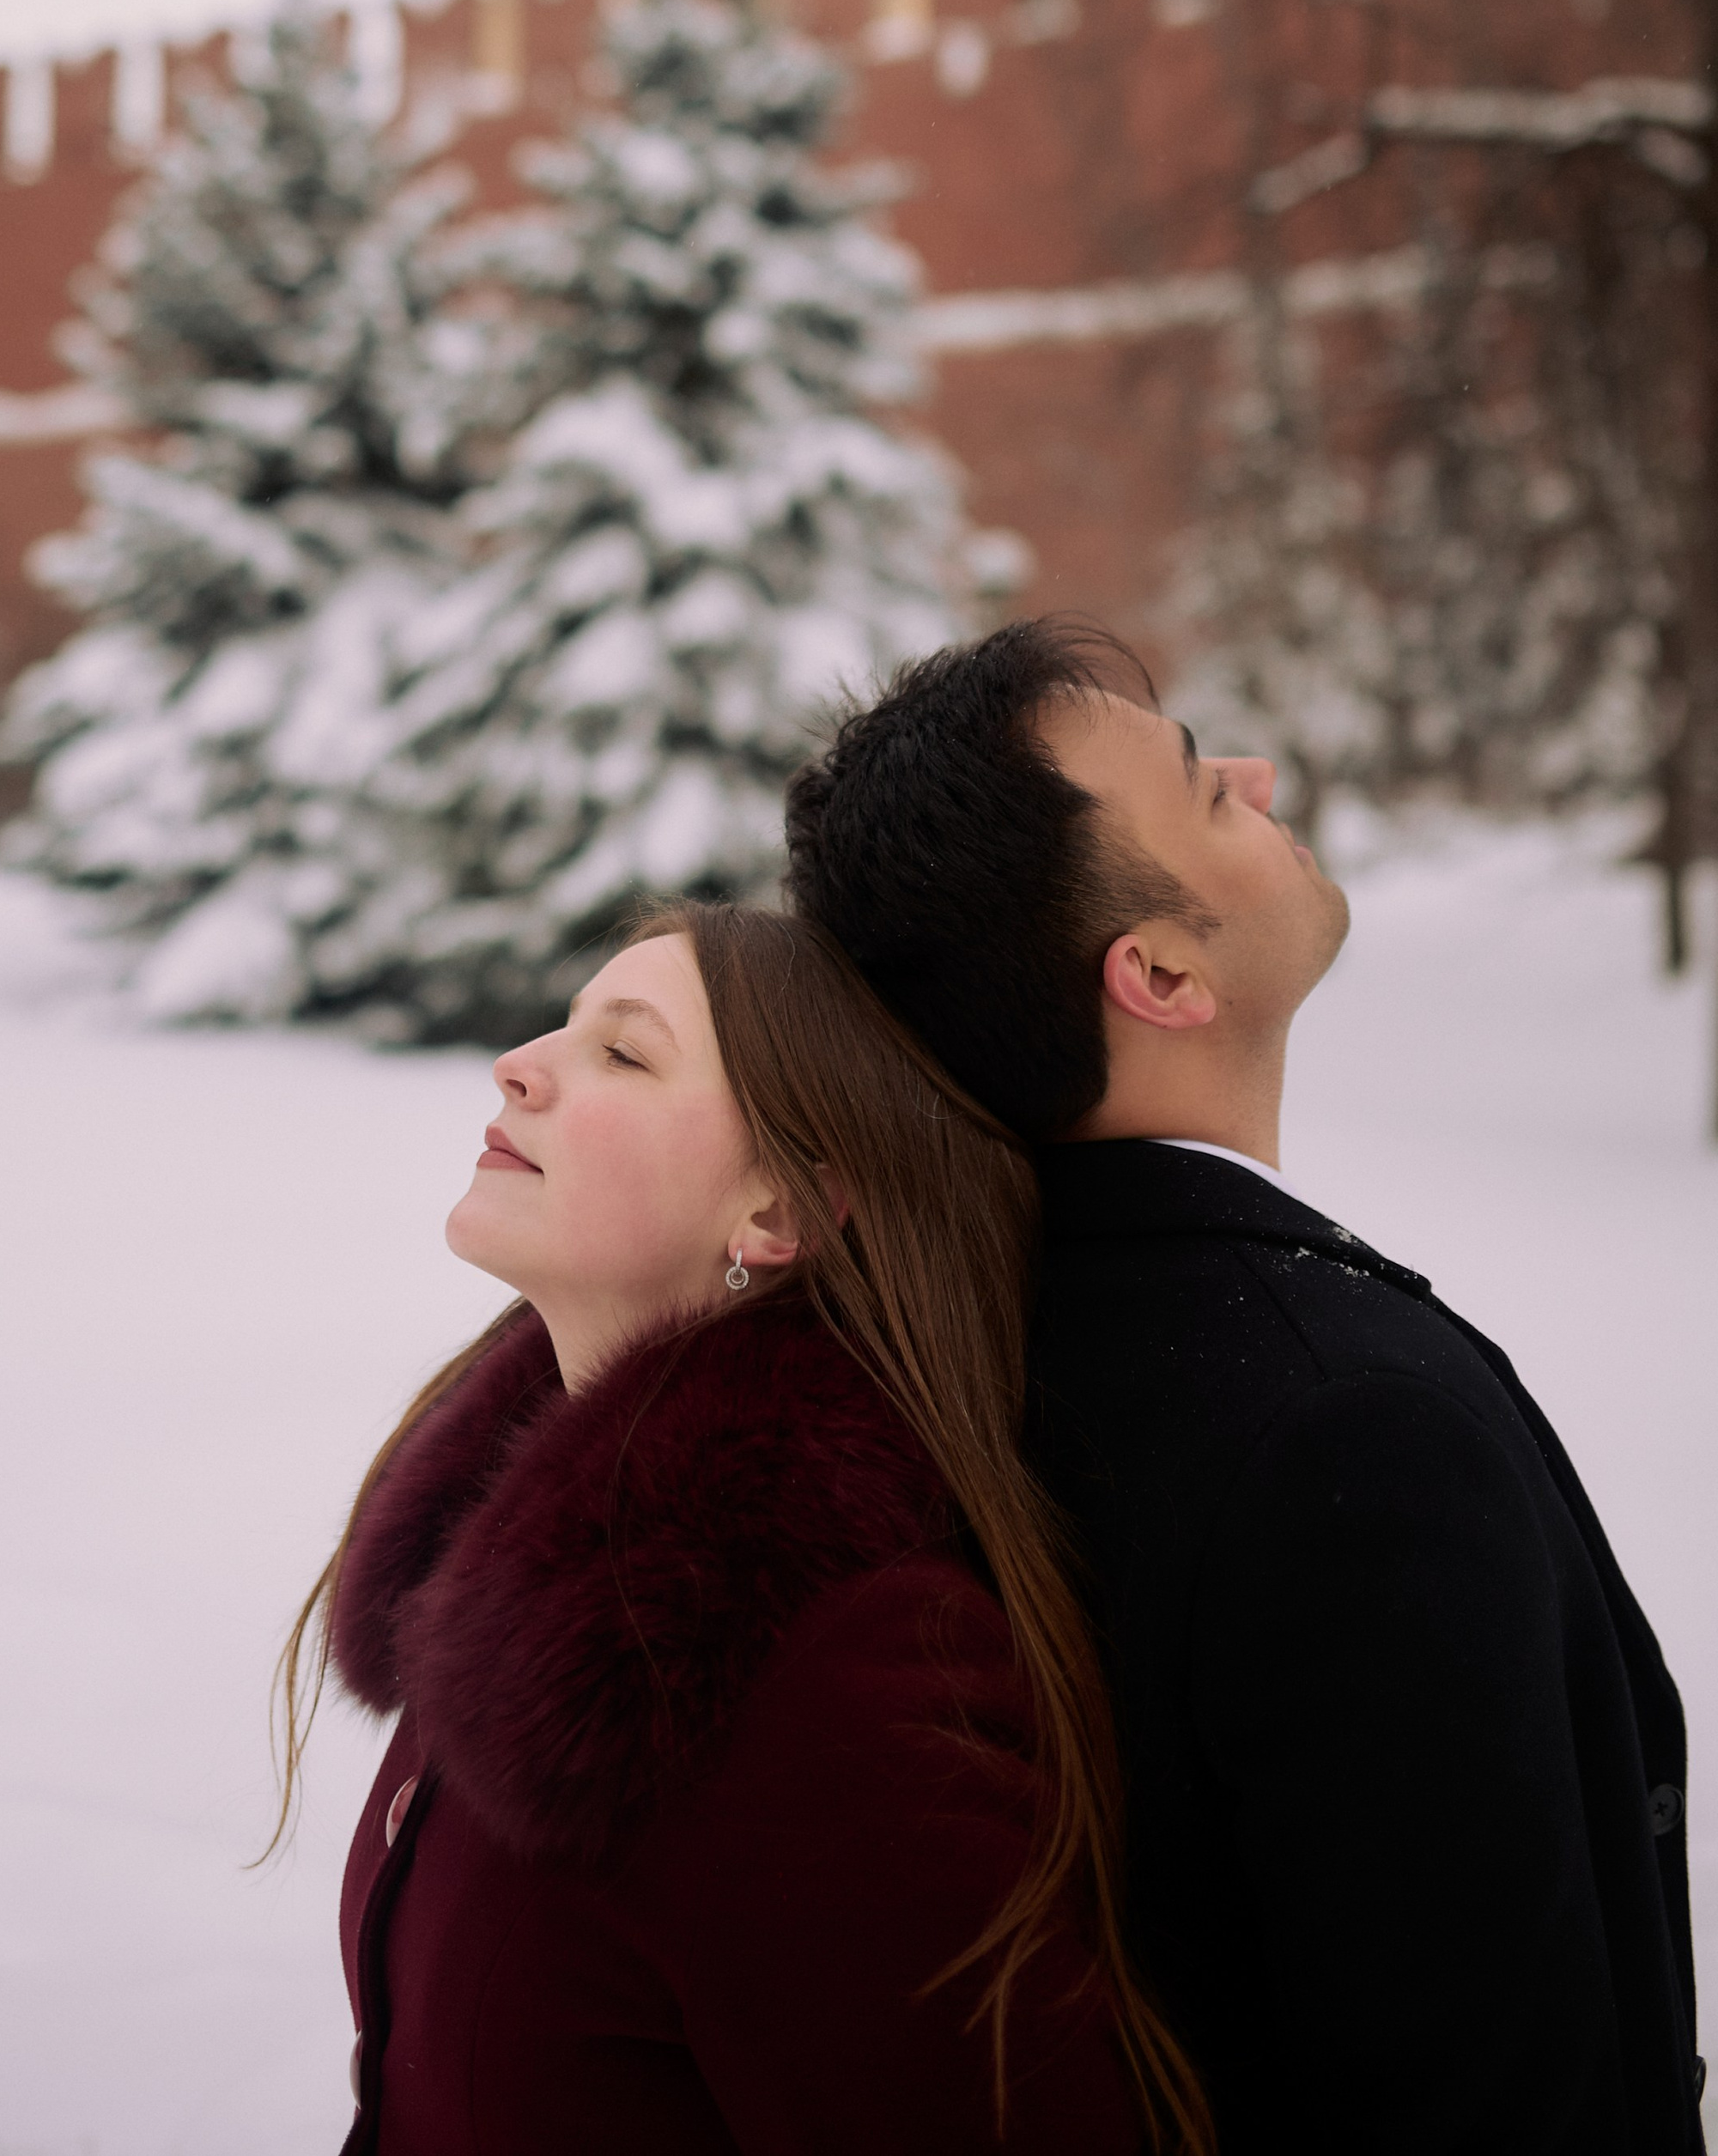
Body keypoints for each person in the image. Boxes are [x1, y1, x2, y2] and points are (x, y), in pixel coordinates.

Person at [785, 614, 1704, 2156]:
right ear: (1156, 972)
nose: (1265, 773)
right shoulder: (1344, 1428)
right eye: (1210, 787)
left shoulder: (959, 1344)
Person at [269, 897, 1214, 2153]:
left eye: (623, 1050)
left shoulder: (817, 1687)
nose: (521, 1061)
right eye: (567, 1022)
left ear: (782, 1209)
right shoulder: (532, 1572)